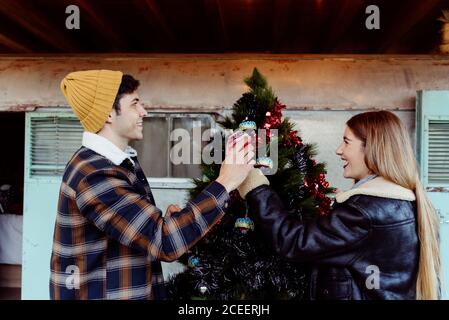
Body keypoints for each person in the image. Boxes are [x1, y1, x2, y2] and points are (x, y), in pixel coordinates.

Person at [50, 70, 254, 299]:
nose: (143, 112)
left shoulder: (114, 163)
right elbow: (164, 241)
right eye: (135, 104)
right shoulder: (96, 175)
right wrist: (226, 182)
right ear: (108, 113)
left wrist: (165, 222)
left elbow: (143, 231)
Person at [237, 110, 440, 300]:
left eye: (346, 142)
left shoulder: (364, 213)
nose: (338, 150)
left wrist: (255, 187)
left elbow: (293, 241)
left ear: (371, 149)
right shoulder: (404, 204)